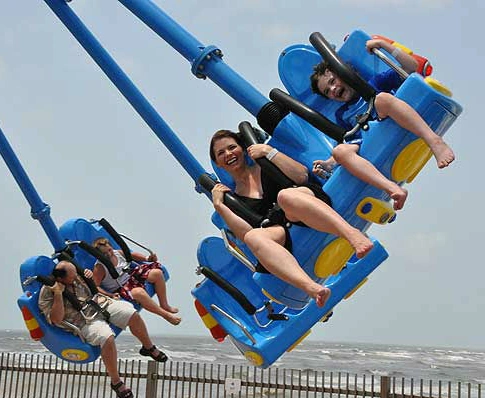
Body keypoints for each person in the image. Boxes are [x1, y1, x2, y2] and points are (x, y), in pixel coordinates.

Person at [209, 129, 374, 308]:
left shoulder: (264, 162)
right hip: (280, 225)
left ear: (242, 148)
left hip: (301, 200)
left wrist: (268, 152)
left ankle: (352, 235)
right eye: (221, 153)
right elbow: (246, 234)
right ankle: (312, 288)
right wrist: (220, 206)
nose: (228, 154)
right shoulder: (236, 199)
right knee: (253, 237)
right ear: (218, 163)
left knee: (285, 197)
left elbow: (301, 175)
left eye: (232, 147)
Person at [310, 38, 455, 210]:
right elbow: (349, 141)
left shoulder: (375, 83)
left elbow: (412, 68)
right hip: (370, 139)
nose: (333, 89)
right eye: (327, 91)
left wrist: (383, 45)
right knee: (339, 150)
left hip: (389, 119)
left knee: (382, 99)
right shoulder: (342, 114)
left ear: (345, 73)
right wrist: (329, 163)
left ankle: (434, 141)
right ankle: (392, 188)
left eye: (333, 82)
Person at [38, 261, 168, 398]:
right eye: (72, 276)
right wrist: (58, 294)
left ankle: (148, 348)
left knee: (131, 313)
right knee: (106, 337)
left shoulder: (77, 277)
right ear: (60, 278)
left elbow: (95, 288)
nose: (76, 277)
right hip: (84, 321)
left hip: (99, 304)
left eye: (76, 273)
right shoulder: (47, 292)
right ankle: (116, 382)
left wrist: (90, 278)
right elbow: (56, 319)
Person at [91, 238, 181, 326]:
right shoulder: (100, 267)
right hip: (121, 287)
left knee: (157, 273)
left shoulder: (117, 253)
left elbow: (132, 255)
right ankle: (166, 315)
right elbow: (95, 286)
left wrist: (147, 258)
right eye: (104, 253)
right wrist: (110, 295)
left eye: (109, 250)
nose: (109, 254)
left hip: (132, 276)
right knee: (138, 292)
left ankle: (164, 304)